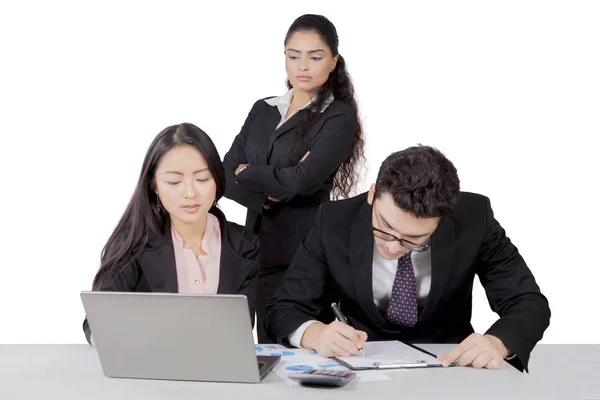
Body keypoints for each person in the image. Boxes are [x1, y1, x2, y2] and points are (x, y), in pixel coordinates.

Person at [265, 145, 550, 372]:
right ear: (373, 193)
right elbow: (284, 308)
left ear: (442, 219)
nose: (391, 247)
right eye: (384, 227)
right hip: (359, 367)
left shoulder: (475, 218)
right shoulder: (334, 220)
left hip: (450, 366)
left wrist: (498, 343)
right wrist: (315, 334)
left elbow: (527, 302)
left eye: (413, 240)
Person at [223, 14, 365, 343]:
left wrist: (250, 172)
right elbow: (225, 173)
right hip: (257, 249)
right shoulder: (263, 108)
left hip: (305, 251)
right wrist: (268, 191)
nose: (303, 66)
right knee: (268, 352)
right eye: (293, 55)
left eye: (315, 57)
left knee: (301, 349)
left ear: (333, 61)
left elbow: (302, 180)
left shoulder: (338, 116)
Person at [83, 123, 259, 345]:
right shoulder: (134, 241)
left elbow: (241, 329)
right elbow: (97, 323)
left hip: (218, 371)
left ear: (217, 180)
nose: (190, 193)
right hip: (148, 369)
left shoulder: (244, 245)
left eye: (202, 179)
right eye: (174, 182)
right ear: (154, 185)